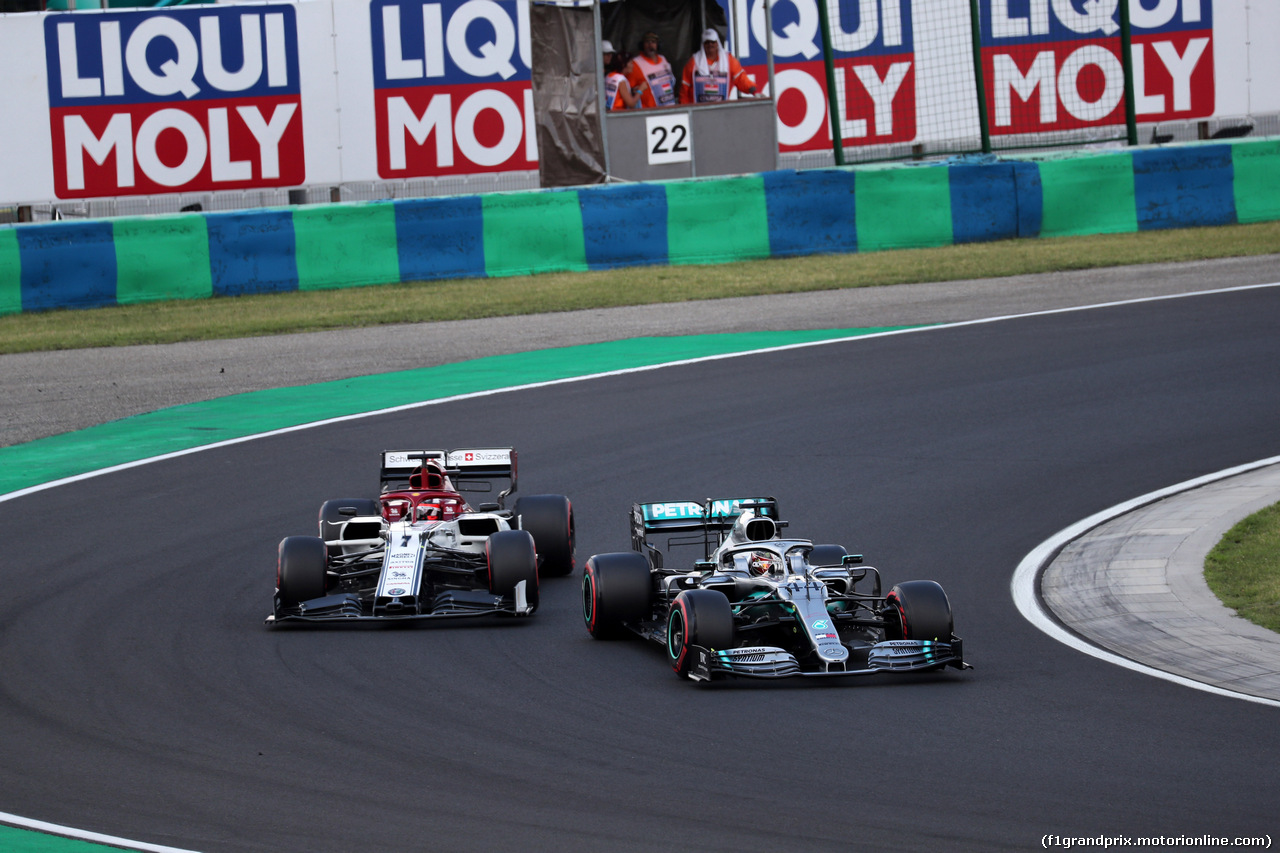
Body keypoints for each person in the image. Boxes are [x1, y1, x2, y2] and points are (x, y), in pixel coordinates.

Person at [680, 28, 758, 104]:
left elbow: (741, 79)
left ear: (717, 43)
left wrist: (754, 91)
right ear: (703, 45)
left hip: (721, 111)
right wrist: (685, 109)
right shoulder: (694, 62)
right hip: (698, 111)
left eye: (712, 42)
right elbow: (684, 87)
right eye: (707, 42)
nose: (710, 44)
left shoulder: (728, 60)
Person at [624, 32, 678, 108]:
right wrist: (634, 90)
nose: (650, 45)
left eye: (653, 42)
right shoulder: (635, 64)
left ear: (658, 45)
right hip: (649, 113)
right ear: (642, 45)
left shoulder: (663, 60)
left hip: (669, 108)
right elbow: (627, 90)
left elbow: (672, 82)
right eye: (647, 42)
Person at [602, 40, 642, 110]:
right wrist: (641, 90)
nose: (633, 66)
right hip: (617, 115)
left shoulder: (609, 75)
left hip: (609, 113)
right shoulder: (620, 79)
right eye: (631, 63)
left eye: (611, 54)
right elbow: (631, 104)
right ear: (624, 65)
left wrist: (631, 91)